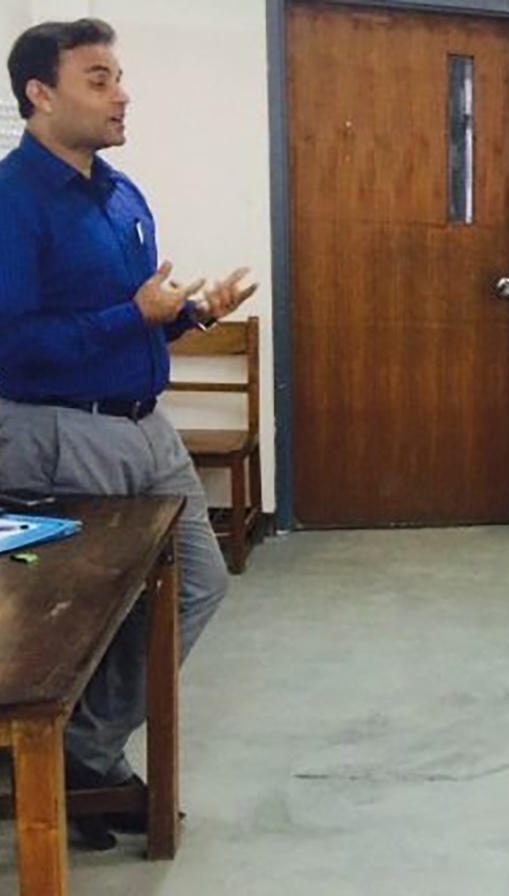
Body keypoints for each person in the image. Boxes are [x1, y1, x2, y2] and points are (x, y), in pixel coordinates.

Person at [0, 18, 256, 847]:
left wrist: (190, 313)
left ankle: (81, 748)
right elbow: (10, 346)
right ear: (41, 94)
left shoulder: (121, 193)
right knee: (74, 619)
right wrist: (131, 316)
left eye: (119, 78)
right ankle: (63, 763)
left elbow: (136, 320)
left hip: (146, 427)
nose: (122, 95)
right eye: (99, 79)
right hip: (59, 433)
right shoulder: (13, 201)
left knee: (199, 584)